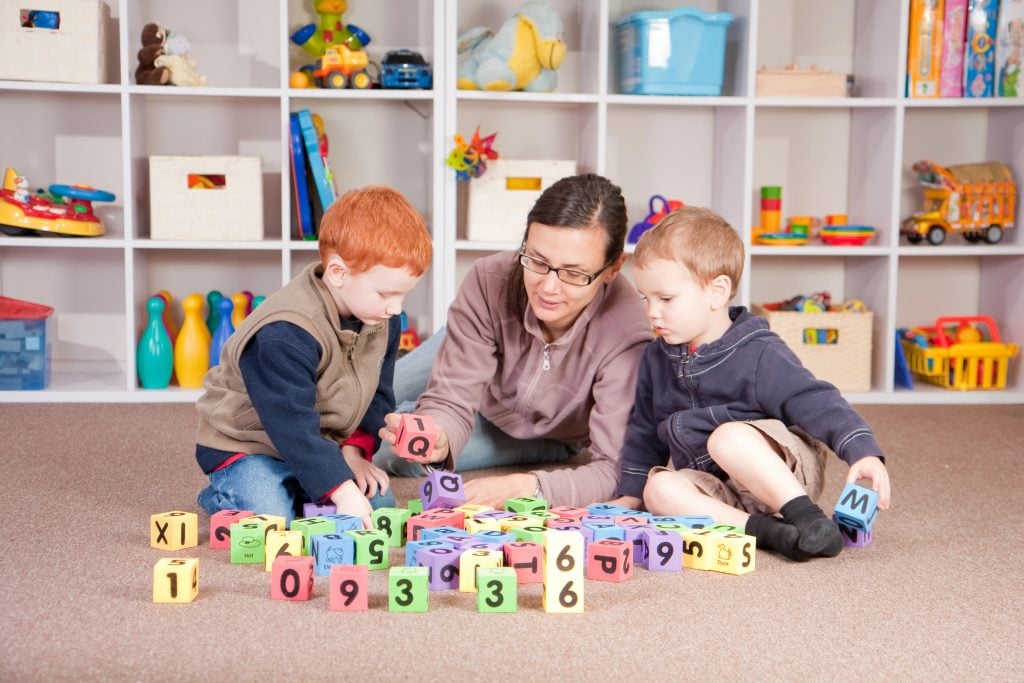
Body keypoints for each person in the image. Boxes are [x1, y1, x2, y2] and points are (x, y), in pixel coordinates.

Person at [616, 205, 892, 561]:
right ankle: (767, 532)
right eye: (646, 299)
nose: (652, 312)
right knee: (660, 489)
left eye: (665, 299)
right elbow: (644, 432)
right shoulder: (657, 357)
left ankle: (806, 518)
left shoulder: (759, 352)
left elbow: (815, 399)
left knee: (727, 437)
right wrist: (631, 494)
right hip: (719, 486)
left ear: (717, 292)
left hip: (783, 473)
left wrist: (862, 450)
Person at [373, 173, 654, 508]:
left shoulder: (628, 334)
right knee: (359, 407)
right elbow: (452, 397)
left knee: (387, 452)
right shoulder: (488, 278)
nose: (548, 287)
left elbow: (613, 470)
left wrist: (529, 485)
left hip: (545, 434)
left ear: (612, 268)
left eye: (574, 273)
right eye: (537, 260)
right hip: (473, 354)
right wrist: (441, 435)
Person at [195, 186, 433, 527]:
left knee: (379, 502)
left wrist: (353, 453)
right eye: (385, 293)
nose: (396, 308)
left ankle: (307, 482)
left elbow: (378, 394)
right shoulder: (284, 333)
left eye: (404, 295)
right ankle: (223, 493)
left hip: (318, 440)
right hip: (249, 445)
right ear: (338, 273)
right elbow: (290, 424)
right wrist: (339, 488)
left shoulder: (383, 316)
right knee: (273, 517)